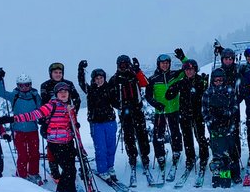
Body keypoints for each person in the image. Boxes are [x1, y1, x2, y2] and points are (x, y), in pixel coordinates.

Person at [13, 81, 83, 192]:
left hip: (69, 143)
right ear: (56, 94)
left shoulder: (70, 108)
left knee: (71, 170)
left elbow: (75, 129)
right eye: (60, 92)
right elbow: (34, 114)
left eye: (65, 91)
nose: (63, 93)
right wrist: (14, 119)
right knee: (68, 171)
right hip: (55, 144)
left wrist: (80, 146)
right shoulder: (51, 105)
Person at [108, 55, 150, 184]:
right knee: (129, 136)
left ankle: (145, 155)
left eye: (126, 64)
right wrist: (119, 105)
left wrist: (137, 70)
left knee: (142, 133)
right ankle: (132, 156)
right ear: (117, 65)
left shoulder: (134, 75)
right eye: (121, 65)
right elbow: (110, 96)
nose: (123, 67)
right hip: (125, 112)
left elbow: (145, 83)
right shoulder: (114, 79)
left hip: (137, 109)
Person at [0, 68, 44, 183]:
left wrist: (42, 119)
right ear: (18, 85)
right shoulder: (15, 95)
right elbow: (1, 93)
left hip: (32, 129)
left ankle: (33, 173)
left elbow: (41, 109)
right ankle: (21, 176)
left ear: (30, 84)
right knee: (22, 155)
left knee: (34, 153)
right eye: (21, 85)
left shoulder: (35, 95)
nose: (24, 87)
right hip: (18, 130)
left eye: (27, 85)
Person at [77, 61, 119, 182]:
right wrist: (81, 69)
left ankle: (110, 167)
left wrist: (123, 105)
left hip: (110, 122)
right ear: (93, 80)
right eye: (97, 78)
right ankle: (102, 170)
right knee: (101, 148)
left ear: (104, 78)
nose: (99, 80)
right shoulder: (90, 90)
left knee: (111, 147)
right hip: (96, 124)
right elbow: (81, 82)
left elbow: (116, 103)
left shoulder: (109, 89)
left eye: (101, 78)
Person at [170, 58, 210, 180]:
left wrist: (205, 84)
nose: (189, 72)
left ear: (195, 70)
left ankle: (204, 157)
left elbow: (206, 94)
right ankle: (190, 158)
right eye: (187, 70)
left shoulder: (200, 80)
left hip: (198, 115)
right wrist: (174, 86)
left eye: (191, 69)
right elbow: (169, 95)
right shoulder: (182, 82)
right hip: (185, 115)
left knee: (200, 137)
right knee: (187, 138)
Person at [202, 67, 241, 188]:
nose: (218, 82)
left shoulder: (229, 90)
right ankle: (218, 172)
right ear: (212, 81)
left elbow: (235, 107)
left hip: (228, 124)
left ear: (224, 80)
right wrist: (212, 121)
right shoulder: (208, 92)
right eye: (216, 80)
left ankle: (232, 172)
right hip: (214, 126)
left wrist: (226, 114)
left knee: (230, 150)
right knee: (217, 150)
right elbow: (204, 111)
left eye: (220, 80)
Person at [146, 54, 183, 175]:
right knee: (158, 135)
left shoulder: (174, 75)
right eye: (163, 63)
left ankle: (177, 151)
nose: (165, 65)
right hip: (160, 111)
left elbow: (190, 67)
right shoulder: (153, 79)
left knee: (175, 132)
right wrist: (156, 104)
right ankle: (160, 155)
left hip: (174, 110)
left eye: (167, 63)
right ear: (158, 64)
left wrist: (183, 58)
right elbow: (148, 96)